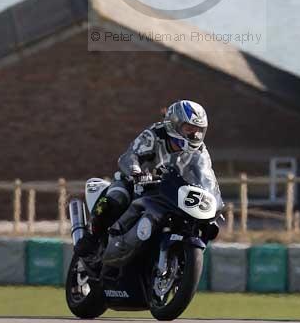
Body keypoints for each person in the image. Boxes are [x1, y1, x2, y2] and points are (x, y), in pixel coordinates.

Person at [74, 100, 210, 260]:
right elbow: (129, 156)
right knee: (116, 196)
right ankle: (92, 237)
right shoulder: (154, 134)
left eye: (198, 131)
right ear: (174, 124)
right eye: (189, 129)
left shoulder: (200, 151)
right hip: (138, 185)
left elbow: (206, 175)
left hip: (168, 194)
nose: (194, 135)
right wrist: (136, 172)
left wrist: (209, 191)